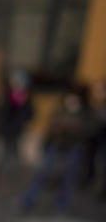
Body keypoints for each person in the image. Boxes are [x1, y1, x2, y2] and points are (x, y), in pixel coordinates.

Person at [19, 86, 95, 214]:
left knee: (68, 177)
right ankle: (27, 200)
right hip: (57, 144)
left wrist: (75, 130)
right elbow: (51, 125)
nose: (71, 100)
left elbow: (91, 129)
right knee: (42, 173)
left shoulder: (86, 113)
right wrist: (58, 130)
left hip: (75, 146)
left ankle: (61, 205)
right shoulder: (60, 110)